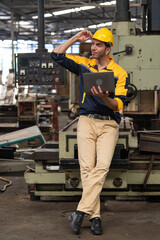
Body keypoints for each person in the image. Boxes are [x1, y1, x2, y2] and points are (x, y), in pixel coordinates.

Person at [50, 28, 128, 235]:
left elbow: (118, 105)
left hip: (109, 124)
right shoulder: (84, 65)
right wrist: (76, 38)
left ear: (108, 49)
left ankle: (79, 211)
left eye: (98, 45)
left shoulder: (119, 73)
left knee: (101, 167)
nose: (93, 48)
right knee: (87, 169)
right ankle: (95, 217)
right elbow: (56, 55)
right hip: (86, 121)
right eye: (92, 44)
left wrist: (104, 98)